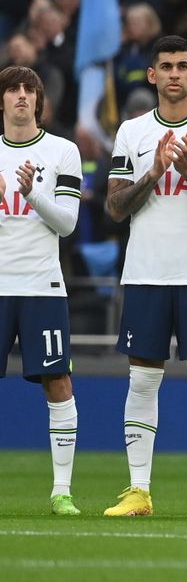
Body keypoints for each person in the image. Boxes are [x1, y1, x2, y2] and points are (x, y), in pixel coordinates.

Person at [103, 35, 187, 518]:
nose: (176, 74)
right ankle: (139, 491)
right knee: (142, 382)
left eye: (184, 66)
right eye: (166, 66)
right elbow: (115, 207)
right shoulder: (132, 132)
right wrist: (153, 172)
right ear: (152, 75)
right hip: (146, 272)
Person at [0, 66, 83, 514]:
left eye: (28, 89)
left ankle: (62, 491)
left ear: (38, 100)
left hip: (42, 285)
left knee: (58, 382)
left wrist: (31, 193)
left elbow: (67, 224)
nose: (20, 96)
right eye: (11, 89)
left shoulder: (62, 152)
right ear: (2, 100)